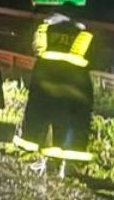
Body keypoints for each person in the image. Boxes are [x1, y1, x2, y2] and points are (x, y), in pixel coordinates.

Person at [14, 12, 95, 177]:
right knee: (72, 122)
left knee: (40, 118)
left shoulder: (44, 29)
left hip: (45, 80)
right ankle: (67, 167)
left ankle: (46, 162)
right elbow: (96, 58)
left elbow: (36, 49)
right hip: (75, 85)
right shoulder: (84, 34)